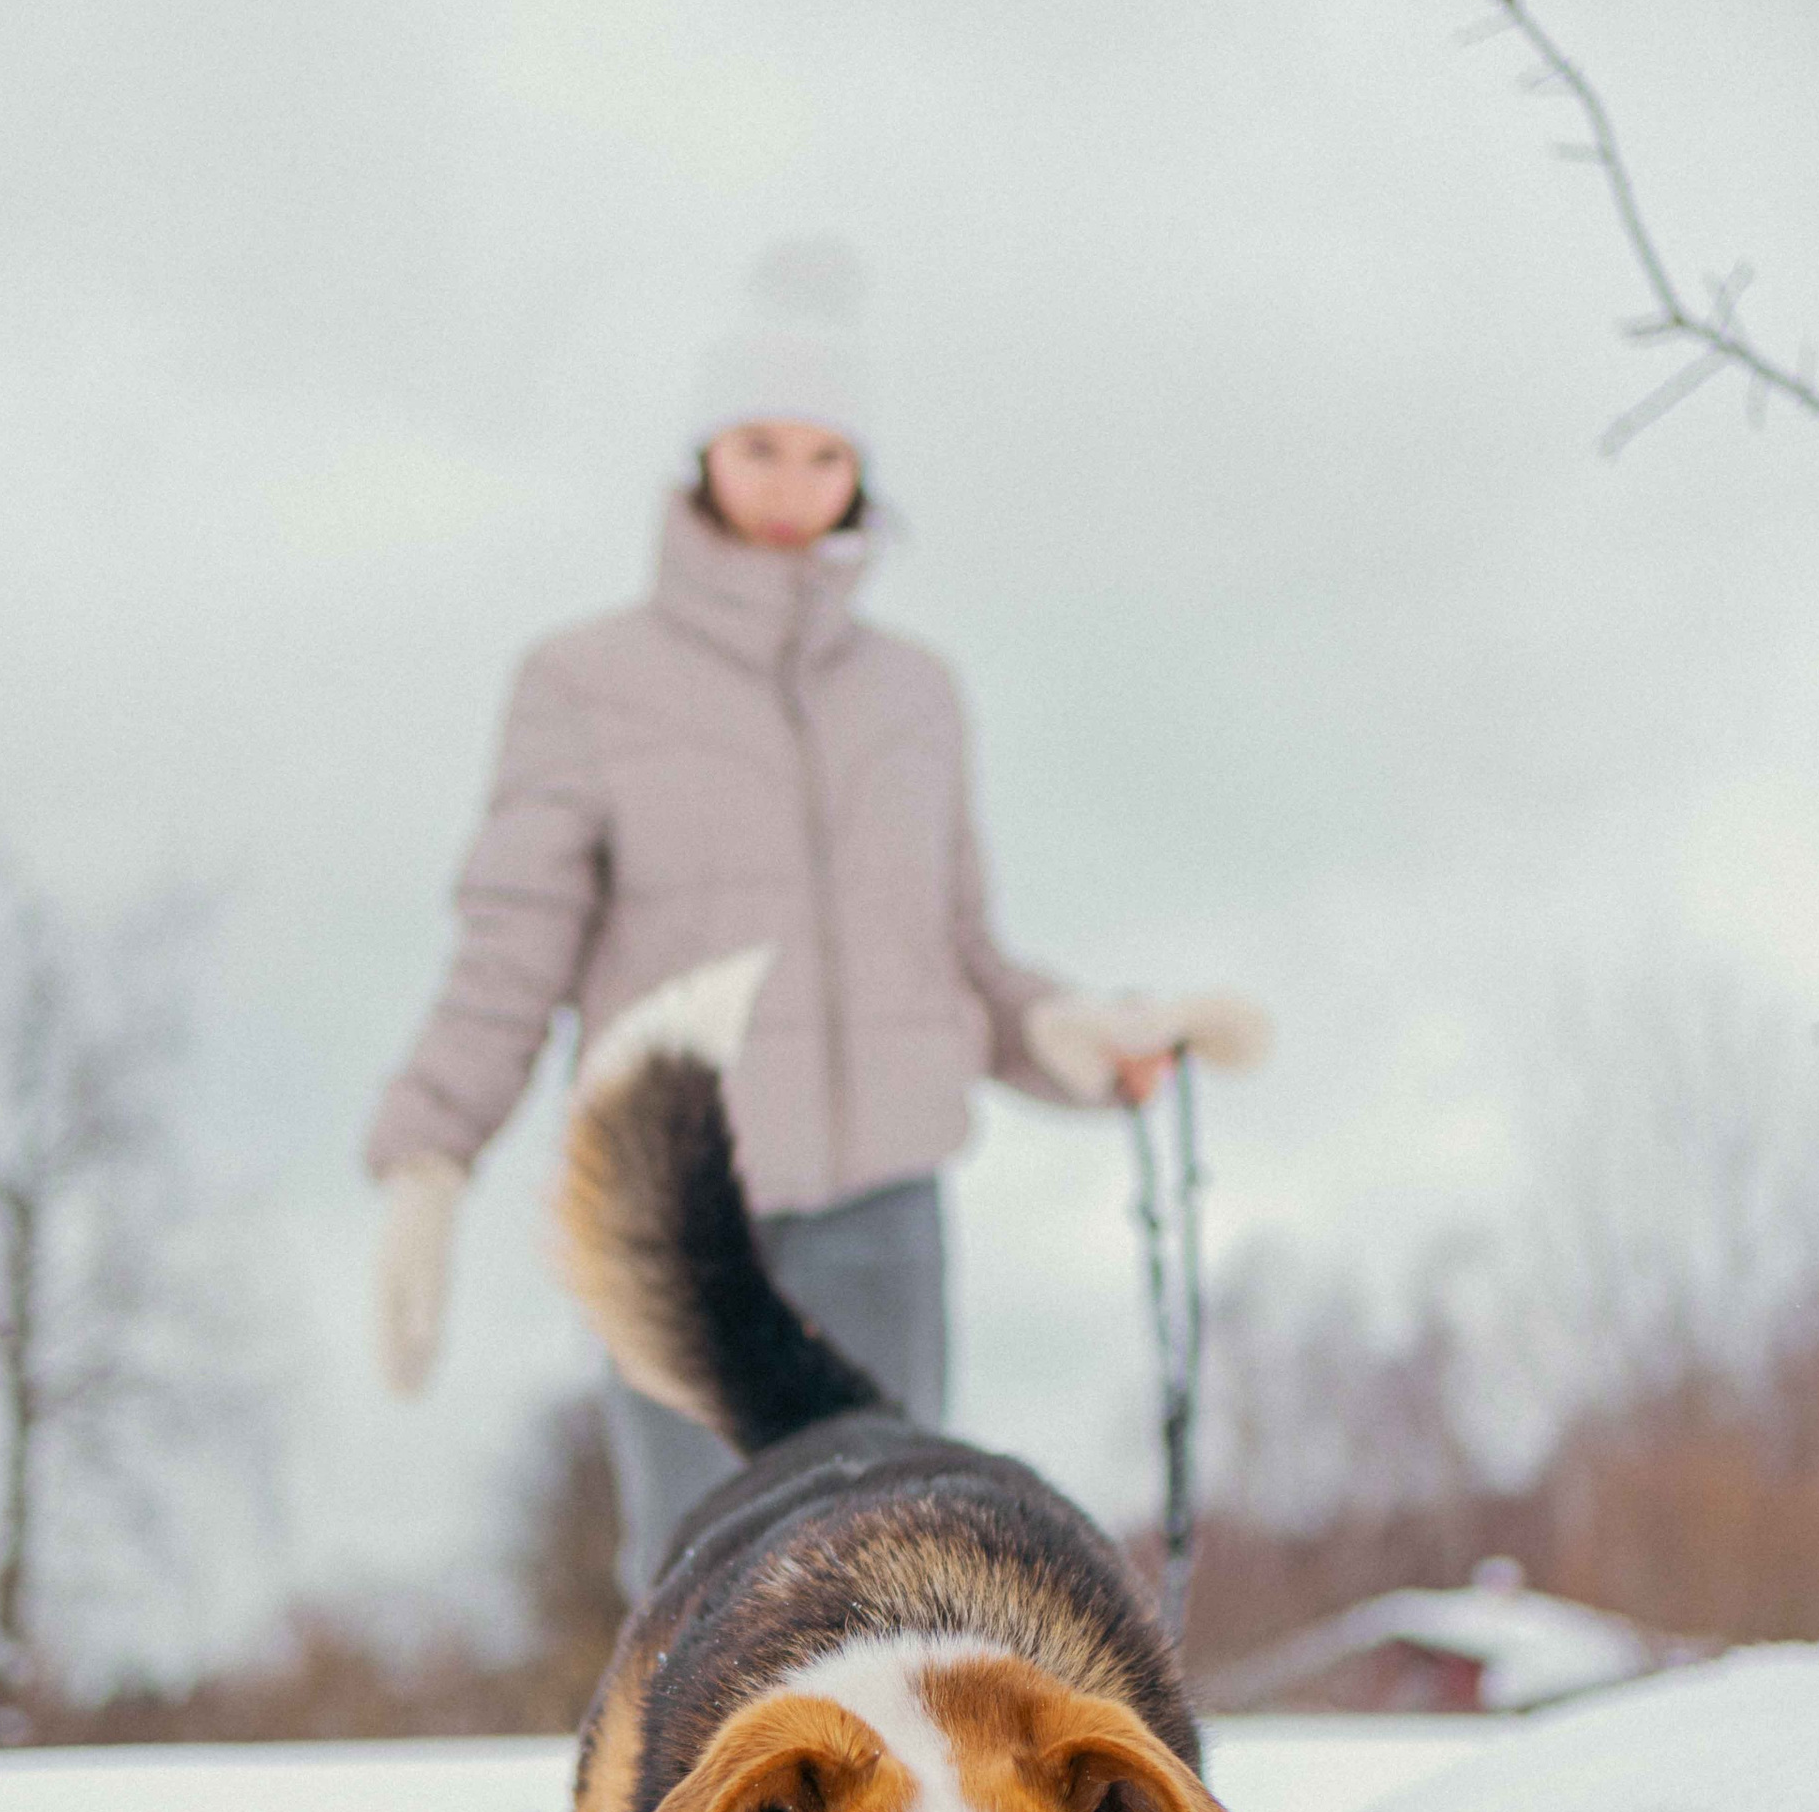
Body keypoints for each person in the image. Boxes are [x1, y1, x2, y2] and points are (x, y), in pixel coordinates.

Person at [365, 241, 1265, 1593]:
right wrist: (432, 1160)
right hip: (677, 1199)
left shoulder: (918, 696)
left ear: (862, 472)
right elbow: (514, 944)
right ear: (703, 457)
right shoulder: (583, 682)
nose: (791, 485)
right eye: (760, 446)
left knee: (890, 1577)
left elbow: (960, 955)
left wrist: (1069, 1035)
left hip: (881, 1214)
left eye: (823, 455)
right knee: (705, 1586)